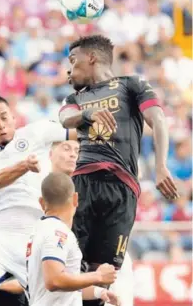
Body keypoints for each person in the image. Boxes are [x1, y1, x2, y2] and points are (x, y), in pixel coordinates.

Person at [59, 35, 178, 306]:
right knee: (73, 264)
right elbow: (65, 118)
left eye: (73, 60)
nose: (69, 69)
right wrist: (88, 116)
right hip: (83, 183)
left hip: (122, 188)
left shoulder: (131, 85)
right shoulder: (75, 98)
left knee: (104, 275)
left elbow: (157, 118)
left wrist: (160, 165)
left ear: (91, 58)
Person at [0, 95, 76, 306]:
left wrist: (91, 115)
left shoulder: (37, 132)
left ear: (13, 117)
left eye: (4, 117)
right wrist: (24, 165)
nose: (0, 124)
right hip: (0, 239)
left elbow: (80, 133)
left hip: (36, 237)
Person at [26, 172, 120, 306]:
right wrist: (98, 276)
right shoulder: (57, 232)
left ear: (42, 202)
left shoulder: (42, 229)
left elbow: (65, 286)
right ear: (76, 199)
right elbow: (54, 280)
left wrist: (98, 292)